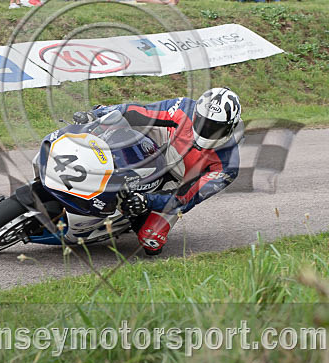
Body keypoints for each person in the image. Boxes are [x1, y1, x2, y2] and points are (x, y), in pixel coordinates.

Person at [74, 88, 242, 256]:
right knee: (112, 121)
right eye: (202, 122)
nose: (206, 130)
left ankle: (128, 215)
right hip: (165, 140)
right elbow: (140, 111)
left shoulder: (228, 165)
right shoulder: (184, 108)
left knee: (151, 241)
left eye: (215, 127)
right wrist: (98, 115)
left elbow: (186, 198)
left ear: (230, 127)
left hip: (180, 180)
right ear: (196, 114)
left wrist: (147, 201)